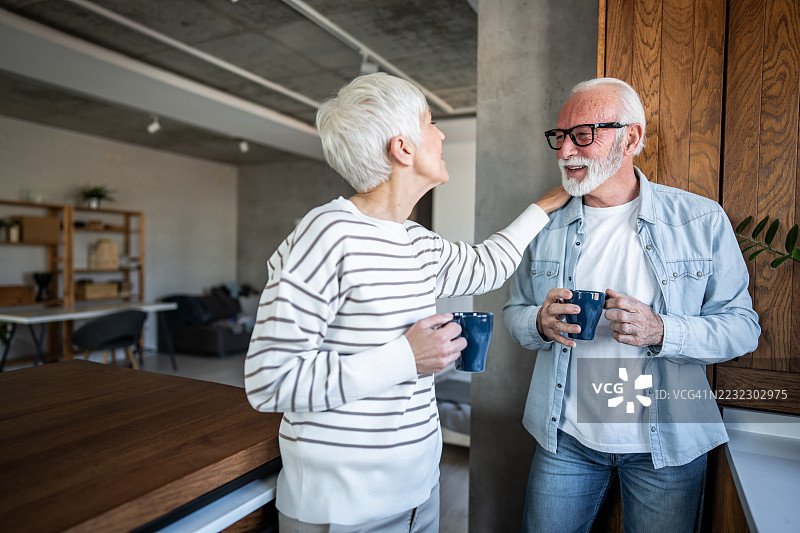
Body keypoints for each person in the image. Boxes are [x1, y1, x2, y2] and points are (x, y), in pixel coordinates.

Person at [245, 72, 569, 532]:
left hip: (418, 489)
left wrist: (544, 207)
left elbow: (486, 265)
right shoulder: (326, 234)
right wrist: (406, 357)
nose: (440, 134)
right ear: (403, 148)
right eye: (430, 122)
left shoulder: (414, 240)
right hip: (345, 507)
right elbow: (269, 380)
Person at [504, 77, 760, 533]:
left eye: (584, 135)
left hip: (669, 447)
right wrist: (539, 323)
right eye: (560, 137)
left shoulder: (700, 219)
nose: (566, 151)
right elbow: (514, 312)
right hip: (565, 438)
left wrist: (663, 330)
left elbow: (742, 327)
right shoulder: (544, 226)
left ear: (632, 138)